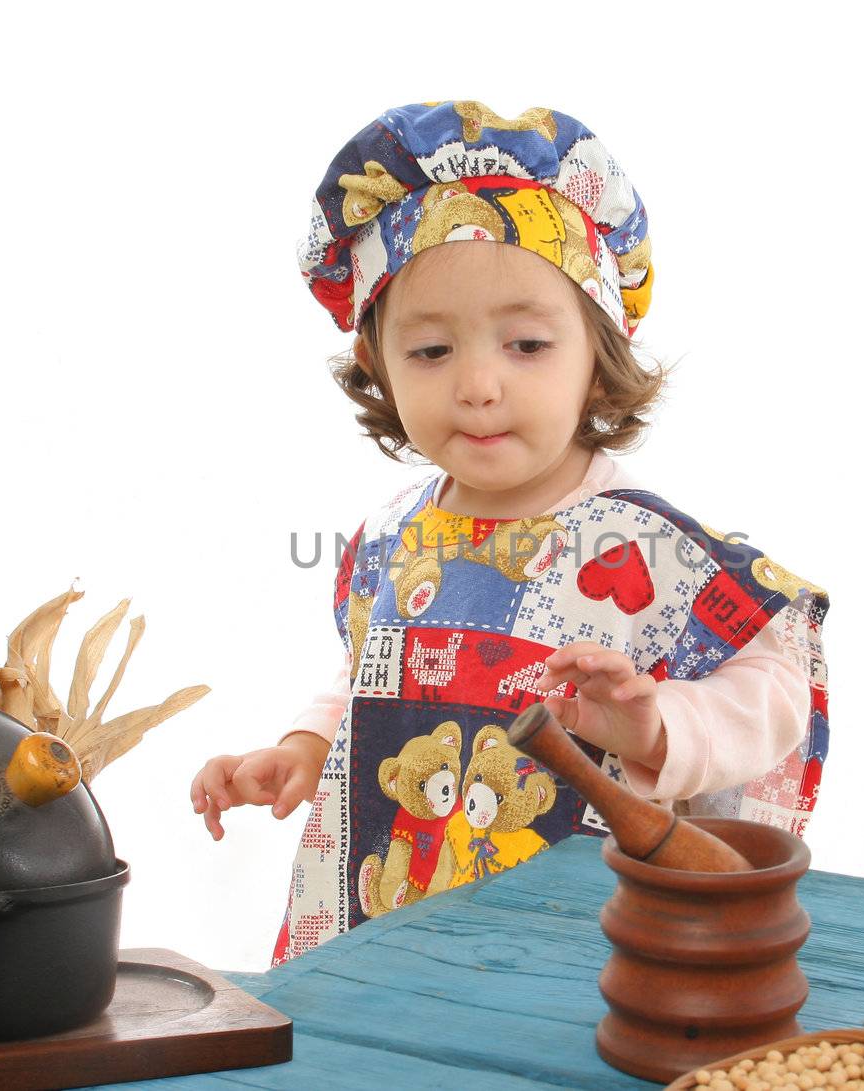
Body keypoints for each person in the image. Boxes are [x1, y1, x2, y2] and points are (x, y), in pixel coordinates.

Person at [190, 100, 831, 966]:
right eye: (430, 352)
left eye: (526, 344)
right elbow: (374, 667)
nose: (479, 385)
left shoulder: (650, 548)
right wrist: (304, 745)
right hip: (390, 926)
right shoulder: (389, 535)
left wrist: (655, 724)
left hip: (575, 949)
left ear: (596, 352)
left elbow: (779, 688)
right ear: (377, 362)